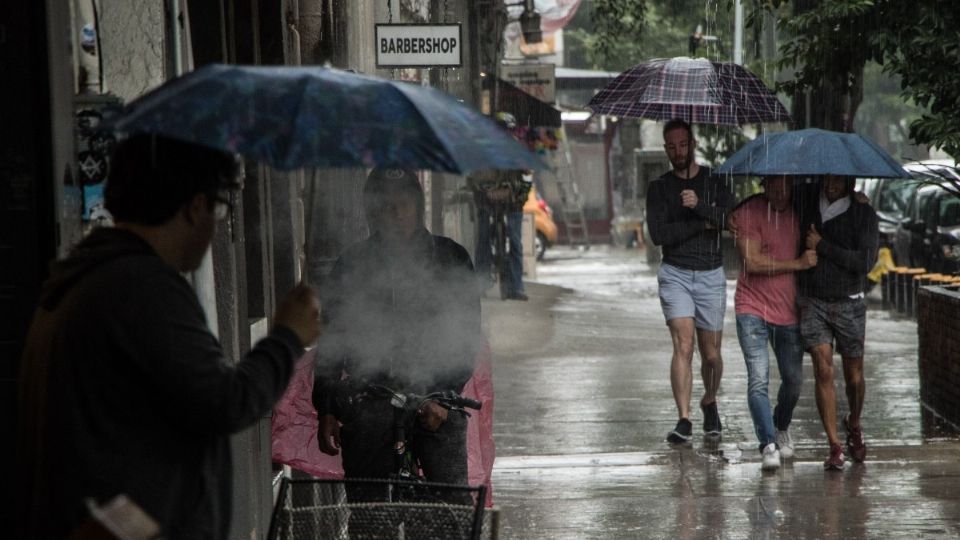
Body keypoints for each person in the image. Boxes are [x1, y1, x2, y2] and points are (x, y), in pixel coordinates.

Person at [15, 134, 321, 538]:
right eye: (219, 207)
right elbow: (225, 401)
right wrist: (287, 336)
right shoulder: (142, 287)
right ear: (195, 207)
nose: (216, 225)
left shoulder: (91, 276)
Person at [312, 167, 482, 487]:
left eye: (404, 202)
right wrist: (327, 408)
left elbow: (467, 338)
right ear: (372, 210)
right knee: (370, 510)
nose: (396, 211)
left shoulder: (451, 258)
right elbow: (332, 340)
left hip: (438, 398)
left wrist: (445, 398)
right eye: (385, 203)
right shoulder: (352, 264)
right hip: (369, 400)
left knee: (449, 510)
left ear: (418, 205)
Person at [645, 118, 733, 443]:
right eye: (671, 146)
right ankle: (684, 418)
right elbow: (659, 234)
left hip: (710, 272)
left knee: (711, 354)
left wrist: (701, 207)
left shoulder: (714, 180)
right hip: (676, 273)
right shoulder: (659, 188)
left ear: (693, 144)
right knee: (683, 344)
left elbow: (730, 219)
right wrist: (701, 225)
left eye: (683, 145)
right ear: (666, 148)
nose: (677, 152)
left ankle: (710, 398)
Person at [732, 175, 818, 470]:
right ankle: (767, 443)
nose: (780, 192)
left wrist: (857, 198)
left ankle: (781, 426)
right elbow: (752, 263)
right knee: (758, 379)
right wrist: (796, 264)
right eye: (774, 185)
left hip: (788, 311)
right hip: (751, 307)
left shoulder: (800, 211)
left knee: (793, 382)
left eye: (785, 185)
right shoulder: (749, 212)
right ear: (764, 184)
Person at [797, 175, 879, 470]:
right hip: (813, 300)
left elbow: (866, 262)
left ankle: (853, 422)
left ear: (850, 180)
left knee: (854, 378)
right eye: (827, 178)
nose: (831, 185)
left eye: (838, 180)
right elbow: (774, 193)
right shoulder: (805, 199)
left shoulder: (863, 214)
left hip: (850, 301)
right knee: (823, 369)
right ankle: (834, 444)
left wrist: (822, 246)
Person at [470, 111, 533, 300]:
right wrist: (483, 191)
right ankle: (481, 284)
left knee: (515, 242)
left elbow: (527, 175)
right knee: (483, 240)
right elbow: (473, 176)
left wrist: (517, 192)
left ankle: (516, 287)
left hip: (512, 202)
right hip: (487, 200)